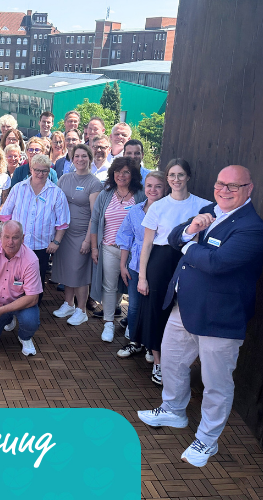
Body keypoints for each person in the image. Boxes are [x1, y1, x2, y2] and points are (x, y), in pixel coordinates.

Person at [138, 165, 263, 468]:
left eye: (233, 186)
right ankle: (173, 410)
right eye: (221, 184)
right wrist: (190, 231)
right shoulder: (209, 210)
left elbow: (217, 263)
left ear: (249, 189)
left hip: (220, 317)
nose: (224, 190)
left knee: (216, 382)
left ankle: (207, 439)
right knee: (171, 360)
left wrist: (188, 244)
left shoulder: (251, 228)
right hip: (185, 305)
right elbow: (174, 236)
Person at [136, 158, 210, 386]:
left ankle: (179, 363)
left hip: (189, 262)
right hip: (160, 264)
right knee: (157, 312)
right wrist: (142, 277)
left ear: (188, 176)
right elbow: (147, 244)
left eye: (180, 175)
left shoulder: (204, 206)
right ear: (167, 179)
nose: (176, 179)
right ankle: (158, 363)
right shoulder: (158, 206)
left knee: (183, 314)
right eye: (172, 175)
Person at [89, 157, 146, 342]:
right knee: (109, 286)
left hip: (134, 252)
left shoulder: (141, 195)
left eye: (126, 172)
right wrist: (94, 248)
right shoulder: (105, 195)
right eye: (118, 172)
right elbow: (95, 221)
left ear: (133, 174)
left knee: (131, 288)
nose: (121, 175)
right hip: (109, 247)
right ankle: (108, 323)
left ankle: (131, 323)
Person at [0, 154, 69, 302]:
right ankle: (11, 309)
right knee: (14, 279)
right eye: (37, 170)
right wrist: (6, 238)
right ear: (31, 169)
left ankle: (32, 309)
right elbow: (5, 215)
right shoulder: (18, 188)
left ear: (49, 171)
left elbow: (62, 222)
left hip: (41, 246)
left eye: (44, 171)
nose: (40, 174)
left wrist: (56, 242)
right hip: (17, 245)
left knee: (36, 283)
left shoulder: (56, 193)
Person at [115, 171, 166, 360]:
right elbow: (126, 237)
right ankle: (135, 342)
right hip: (136, 264)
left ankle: (151, 345)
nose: (153, 190)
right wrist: (123, 265)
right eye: (149, 186)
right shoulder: (136, 210)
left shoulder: (168, 211)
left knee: (153, 307)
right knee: (134, 306)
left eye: (158, 186)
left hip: (158, 265)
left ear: (165, 188)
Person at [51, 144, 103, 326]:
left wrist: (88, 240)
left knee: (79, 273)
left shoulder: (94, 183)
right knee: (67, 270)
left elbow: (95, 215)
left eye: (84, 156)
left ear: (90, 158)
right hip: (64, 233)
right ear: (72, 159)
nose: (80, 159)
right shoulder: (64, 178)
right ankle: (68, 304)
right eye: (77, 156)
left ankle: (81, 310)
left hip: (82, 234)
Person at [0, 221, 42, 355]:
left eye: (15, 237)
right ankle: (8, 318)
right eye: (7, 237)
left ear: (22, 238)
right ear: (1, 236)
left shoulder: (31, 260)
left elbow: (33, 298)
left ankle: (25, 337)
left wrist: (2, 310)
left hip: (21, 304)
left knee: (30, 320)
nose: (10, 242)